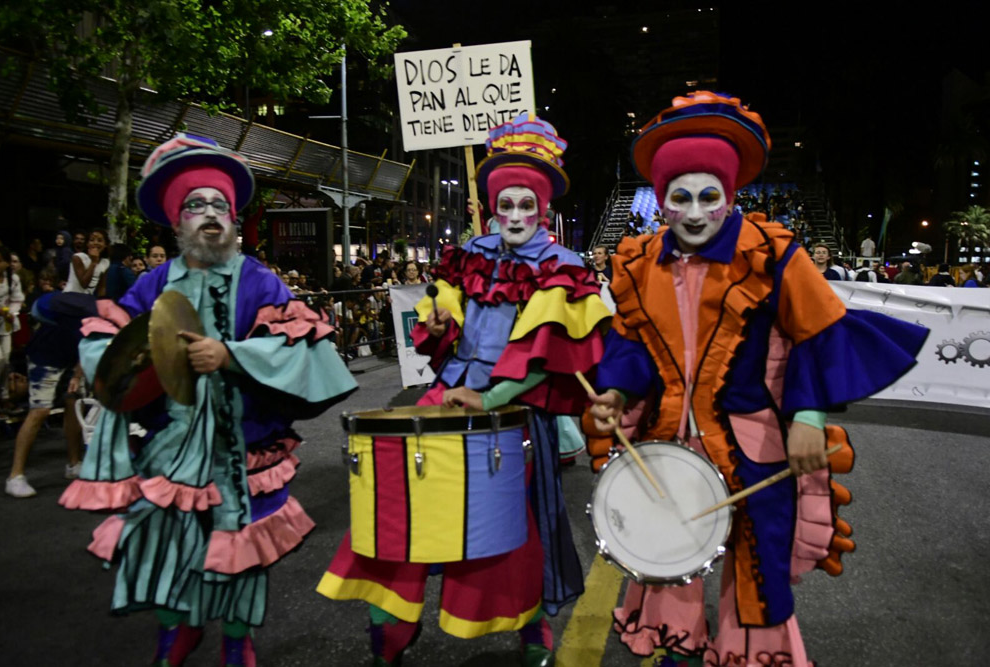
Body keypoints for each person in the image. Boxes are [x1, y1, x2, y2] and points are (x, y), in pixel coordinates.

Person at [585, 91, 928, 666]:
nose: (695, 212)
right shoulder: (639, 263)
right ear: (662, 202)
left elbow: (818, 332)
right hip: (668, 437)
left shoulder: (771, 252)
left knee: (758, 563)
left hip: (753, 436)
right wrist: (617, 392)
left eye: (708, 196)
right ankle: (674, 649)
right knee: (669, 548)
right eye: (680, 197)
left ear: (730, 195)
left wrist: (810, 417)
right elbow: (631, 342)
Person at [319, 113, 610, 667]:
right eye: (507, 205)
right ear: (493, 205)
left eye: (528, 205)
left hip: (516, 412)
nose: (517, 215)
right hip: (449, 397)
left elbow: (548, 353)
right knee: (398, 505)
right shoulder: (470, 252)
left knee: (517, 527)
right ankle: (392, 622)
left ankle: (530, 631)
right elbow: (443, 306)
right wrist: (437, 323)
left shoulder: (562, 266)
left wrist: (494, 398)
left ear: (543, 207)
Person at [58, 134, 357, 666]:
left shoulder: (261, 282)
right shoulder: (150, 285)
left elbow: (305, 348)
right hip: (170, 454)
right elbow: (106, 341)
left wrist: (233, 355)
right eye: (196, 205)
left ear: (235, 218)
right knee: (169, 547)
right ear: (176, 223)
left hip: (246, 451)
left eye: (220, 204)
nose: (210, 214)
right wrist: (119, 358)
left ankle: (237, 640)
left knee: (240, 552)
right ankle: (179, 632)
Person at [4, 291, 95, 498]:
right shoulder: (95, 311)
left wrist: (77, 374)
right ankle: (15, 476)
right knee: (40, 410)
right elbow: (90, 339)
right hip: (46, 355)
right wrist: (78, 374)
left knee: (75, 405)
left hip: (72, 355)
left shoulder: (106, 312)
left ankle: (74, 464)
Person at [0, 246, 24, 419]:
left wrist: (11, 311)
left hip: (6, 322)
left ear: (6, 263)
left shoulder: (13, 279)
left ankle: (4, 398)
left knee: (6, 360)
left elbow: (18, 299)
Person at [64, 228, 109, 295]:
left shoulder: (105, 262)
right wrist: (93, 262)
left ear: (105, 245)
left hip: (87, 299)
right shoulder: (78, 257)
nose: (95, 243)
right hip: (71, 296)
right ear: (87, 244)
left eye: (99, 240)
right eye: (91, 240)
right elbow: (84, 284)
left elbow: (102, 286)